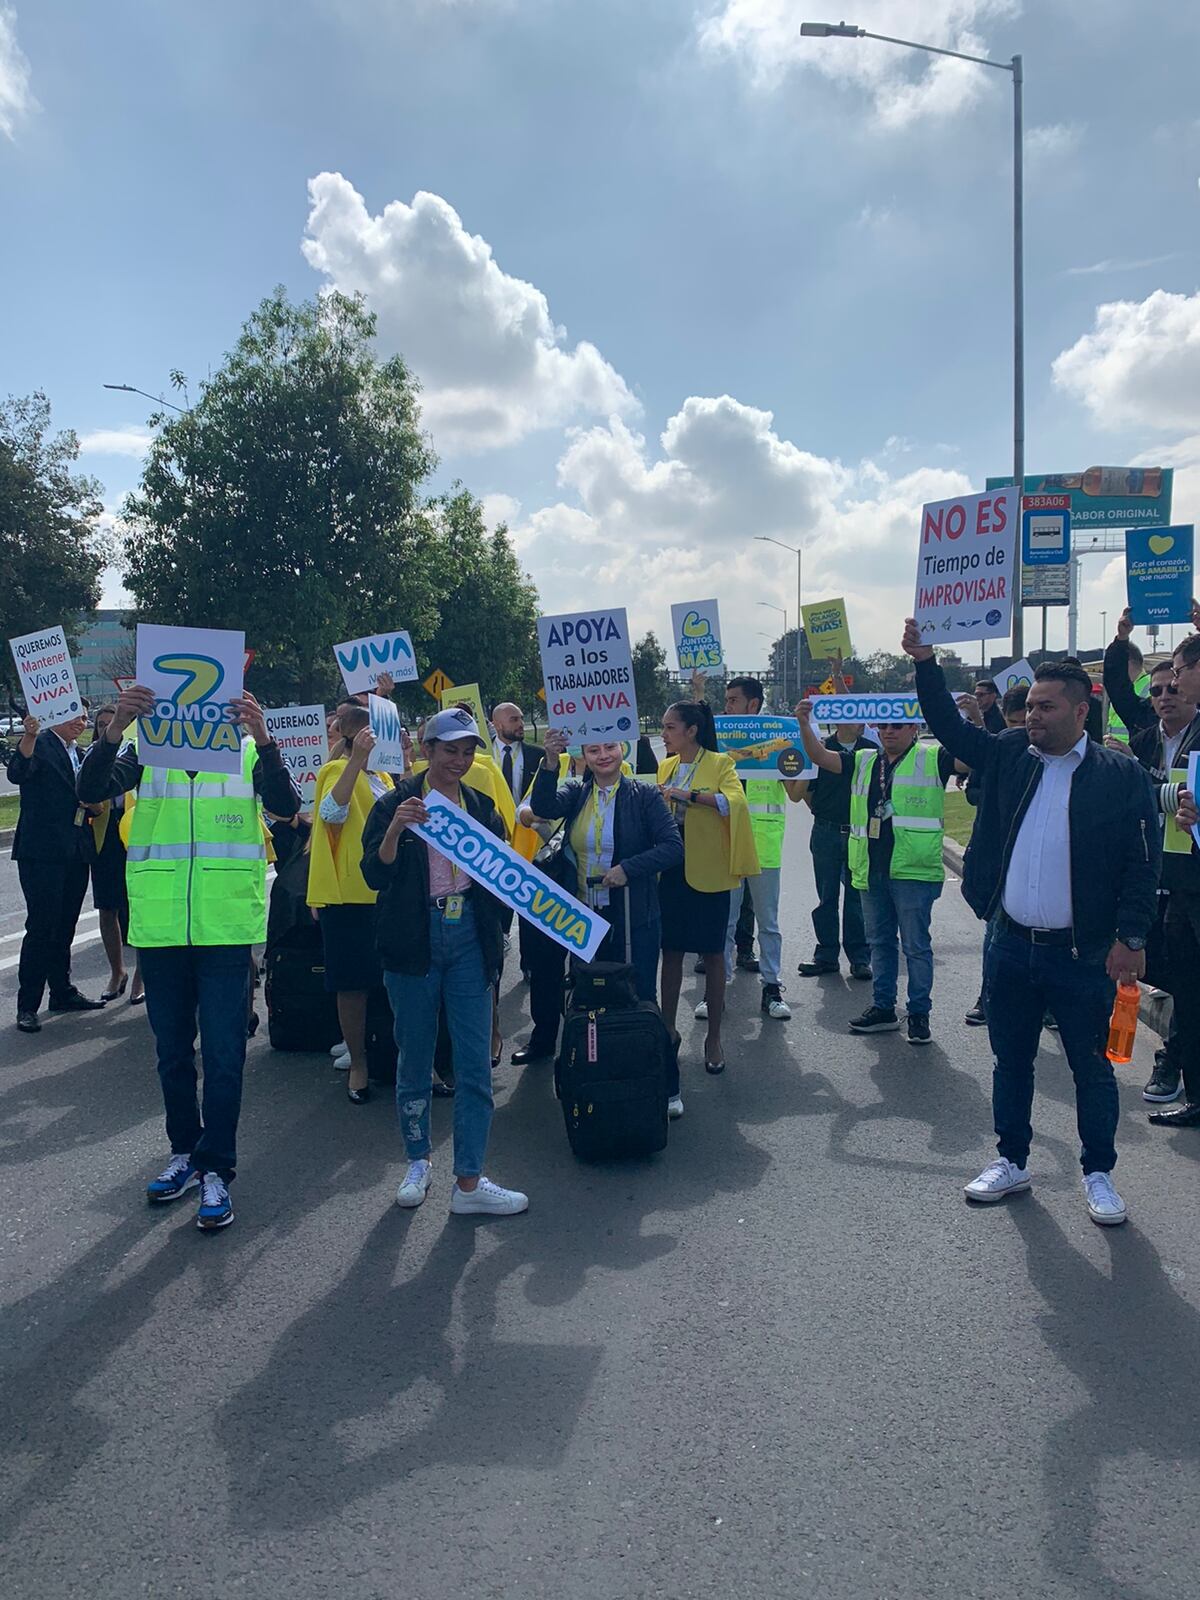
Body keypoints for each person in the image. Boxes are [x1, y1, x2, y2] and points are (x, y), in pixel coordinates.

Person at [906, 620, 1161, 1225]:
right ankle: (1012, 1160)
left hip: (1084, 957)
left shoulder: (1119, 777)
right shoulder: (1010, 756)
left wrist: (1131, 939)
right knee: (1010, 1059)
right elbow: (949, 726)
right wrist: (924, 663)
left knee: (1092, 1067)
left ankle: (1098, 1171)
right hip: (1010, 946)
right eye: (1031, 706)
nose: (1032, 715)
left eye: (1046, 706)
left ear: (1080, 711)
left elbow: (1140, 865)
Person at [78, 682, 300, 1231]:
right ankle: (184, 1152)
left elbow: (286, 806)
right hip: (161, 929)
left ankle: (216, 1168)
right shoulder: (145, 749)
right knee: (173, 1052)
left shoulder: (247, 750)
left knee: (225, 1054)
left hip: (224, 928)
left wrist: (264, 736)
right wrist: (114, 728)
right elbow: (90, 788)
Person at [360, 707, 527, 1217]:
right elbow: (374, 874)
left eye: (467, 750)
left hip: (469, 940)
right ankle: (417, 1161)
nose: (459, 759)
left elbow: (502, 870)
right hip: (414, 939)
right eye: (449, 749)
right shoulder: (396, 801)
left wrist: (501, 930)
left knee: (475, 1065)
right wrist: (395, 830)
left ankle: (470, 1181)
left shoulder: (479, 805)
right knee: (415, 1057)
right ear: (426, 749)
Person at [521, 731, 684, 1106]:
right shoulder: (578, 792)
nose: (603, 755)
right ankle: (600, 1076)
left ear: (622, 749)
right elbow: (543, 805)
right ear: (585, 755)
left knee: (640, 995)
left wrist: (629, 867)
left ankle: (663, 1082)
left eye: (609, 747)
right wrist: (548, 760)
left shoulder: (643, 797)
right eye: (594, 750)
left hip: (632, 915)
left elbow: (673, 846)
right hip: (583, 916)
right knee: (589, 998)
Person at [797, 701, 956, 1044]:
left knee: (915, 946)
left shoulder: (932, 758)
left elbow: (972, 757)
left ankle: (918, 1014)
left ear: (914, 728)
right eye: (883, 725)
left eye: (897, 725)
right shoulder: (867, 759)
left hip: (913, 871)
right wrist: (803, 723)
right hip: (873, 868)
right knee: (880, 943)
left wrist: (971, 719)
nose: (888, 731)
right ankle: (884, 1008)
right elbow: (822, 758)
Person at [657, 699, 758, 1075]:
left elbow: (734, 802)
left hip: (709, 872)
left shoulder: (720, 763)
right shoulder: (666, 766)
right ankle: (668, 1029)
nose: (664, 734)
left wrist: (690, 797)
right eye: (664, 727)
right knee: (670, 951)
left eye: (669, 728)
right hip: (672, 870)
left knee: (714, 954)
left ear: (691, 731)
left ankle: (713, 1036)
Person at [308, 704, 398, 1105]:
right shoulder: (334, 771)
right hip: (348, 895)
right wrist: (355, 760)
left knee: (398, 981)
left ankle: (406, 1060)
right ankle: (358, 1063)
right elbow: (330, 813)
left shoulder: (383, 777)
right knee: (353, 984)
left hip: (386, 891)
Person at [7, 705, 106, 1033]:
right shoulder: (41, 743)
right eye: (76, 716)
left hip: (77, 848)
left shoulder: (81, 752)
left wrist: (93, 804)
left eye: (85, 718)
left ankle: (61, 991)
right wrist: (30, 736)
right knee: (41, 926)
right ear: (56, 716)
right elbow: (18, 772)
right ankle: (27, 1004)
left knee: (66, 925)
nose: (83, 723)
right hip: (43, 851)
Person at [712, 674, 798, 1019]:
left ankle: (772, 987)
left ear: (753, 705)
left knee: (768, 923)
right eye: (726, 700)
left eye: (733, 700)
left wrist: (798, 756)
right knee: (724, 922)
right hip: (724, 846)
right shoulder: (718, 745)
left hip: (763, 848)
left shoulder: (778, 742)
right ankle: (717, 990)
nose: (727, 706)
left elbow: (795, 794)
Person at [1144, 621, 1200, 1127]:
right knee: (1186, 985)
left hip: (1191, 882)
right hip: (1178, 883)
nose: (1172, 687)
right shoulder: (1152, 739)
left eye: (1179, 674)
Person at [960, 684, 1028, 1026]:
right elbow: (972, 792)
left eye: (1025, 724)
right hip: (998, 859)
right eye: (1015, 724)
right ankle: (988, 997)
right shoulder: (996, 750)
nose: (1023, 733)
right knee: (996, 931)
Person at [794, 716, 875, 982]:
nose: (860, 723)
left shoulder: (870, 750)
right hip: (826, 831)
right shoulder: (820, 748)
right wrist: (821, 812)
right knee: (826, 896)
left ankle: (860, 958)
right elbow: (807, 791)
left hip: (859, 833)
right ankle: (826, 955)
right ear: (839, 721)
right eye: (854, 718)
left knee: (856, 897)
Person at [87, 705, 144, 1005]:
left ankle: (140, 978)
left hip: (137, 833)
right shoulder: (95, 757)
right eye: (101, 725)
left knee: (141, 908)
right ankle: (117, 972)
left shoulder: (139, 752)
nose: (107, 727)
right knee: (108, 906)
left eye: (114, 723)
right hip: (107, 835)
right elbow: (88, 788)